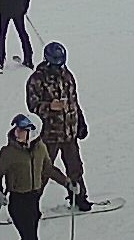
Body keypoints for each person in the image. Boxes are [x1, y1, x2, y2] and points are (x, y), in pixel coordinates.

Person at [26, 41, 91, 211]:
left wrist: (80, 121)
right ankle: (29, 204)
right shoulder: (37, 80)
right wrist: (49, 106)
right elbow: (32, 106)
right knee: (43, 170)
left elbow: (73, 102)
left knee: (75, 167)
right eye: (55, 64)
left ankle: (79, 197)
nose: (59, 67)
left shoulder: (67, 76)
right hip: (49, 135)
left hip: (69, 132)